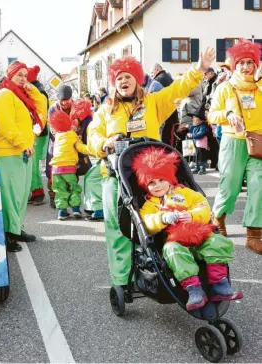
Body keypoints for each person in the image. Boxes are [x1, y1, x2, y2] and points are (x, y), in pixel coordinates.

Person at [87, 48, 216, 289]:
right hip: (117, 177)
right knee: (119, 229)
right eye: (119, 78)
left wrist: (198, 69)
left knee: (157, 222)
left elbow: (178, 88)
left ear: (137, 80)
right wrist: (103, 143)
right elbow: (92, 135)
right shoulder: (106, 110)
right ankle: (121, 280)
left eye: (128, 76)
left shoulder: (153, 102)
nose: (123, 81)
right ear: (114, 84)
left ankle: (165, 270)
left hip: (150, 178)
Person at [133, 146, 243, 311]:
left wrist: (192, 215)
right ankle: (194, 289)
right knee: (172, 250)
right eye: (152, 183)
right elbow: (147, 223)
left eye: (161, 180)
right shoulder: (149, 204)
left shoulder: (185, 193)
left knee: (216, 241)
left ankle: (219, 284)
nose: (157, 186)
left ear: (170, 178)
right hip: (173, 243)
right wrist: (162, 218)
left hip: (198, 237)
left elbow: (203, 206)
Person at [208, 39, 262, 254]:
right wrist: (228, 115)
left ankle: (254, 233)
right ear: (234, 65)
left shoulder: (260, 89)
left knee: (259, 185)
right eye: (242, 63)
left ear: (256, 66)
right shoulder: (224, 88)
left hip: (257, 142)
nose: (246, 67)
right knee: (229, 186)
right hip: (233, 142)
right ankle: (218, 217)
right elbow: (212, 115)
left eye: (251, 63)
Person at [0, 61, 47, 252]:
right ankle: (7, 234)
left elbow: (42, 110)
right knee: (10, 196)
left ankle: (16, 229)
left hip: (23, 152)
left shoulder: (21, 96)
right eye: (19, 75)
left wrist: (34, 92)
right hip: (9, 153)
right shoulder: (4, 95)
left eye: (25, 75)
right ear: (10, 76)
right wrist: (23, 144)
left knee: (21, 195)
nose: (23, 79)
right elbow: (6, 125)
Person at [48, 110, 88, 220]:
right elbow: (80, 148)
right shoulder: (72, 135)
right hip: (69, 168)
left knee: (60, 190)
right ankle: (75, 209)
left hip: (55, 169)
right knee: (74, 187)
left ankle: (62, 211)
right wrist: (91, 149)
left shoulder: (58, 136)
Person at [70, 99, 104, 221]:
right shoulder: (88, 123)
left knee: (93, 178)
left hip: (106, 155)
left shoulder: (89, 126)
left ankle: (99, 209)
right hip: (105, 155)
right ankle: (92, 206)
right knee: (91, 176)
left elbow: (93, 148)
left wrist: (78, 145)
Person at [46, 85, 74, 208]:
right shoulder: (53, 109)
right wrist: (62, 134)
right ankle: (54, 195)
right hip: (56, 142)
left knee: (72, 169)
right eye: (61, 100)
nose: (64, 103)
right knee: (53, 169)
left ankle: (71, 196)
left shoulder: (76, 107)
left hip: (72, 141)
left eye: (66, 100)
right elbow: (51, 127)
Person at [27, 65, 49, 205]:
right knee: (31, 163)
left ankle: (38, 192)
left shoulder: (39, 94)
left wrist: (35, 131)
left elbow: (41, 115)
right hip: (35, 131)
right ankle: (34, 191)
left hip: (37, 132)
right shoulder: (37, 91)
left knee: (33, 164)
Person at [188, 106, 211, 175]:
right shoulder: (194, 126)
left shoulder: (203, 126)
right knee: (196, 156)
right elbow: (190, 132)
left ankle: (202, 168)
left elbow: (201, 134)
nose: (195, 121)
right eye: (194, 119)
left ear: (201, 120)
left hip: (202, 145)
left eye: (197, 120)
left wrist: (192, 135)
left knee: (202, 156)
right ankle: (197, 167)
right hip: (197, 144)